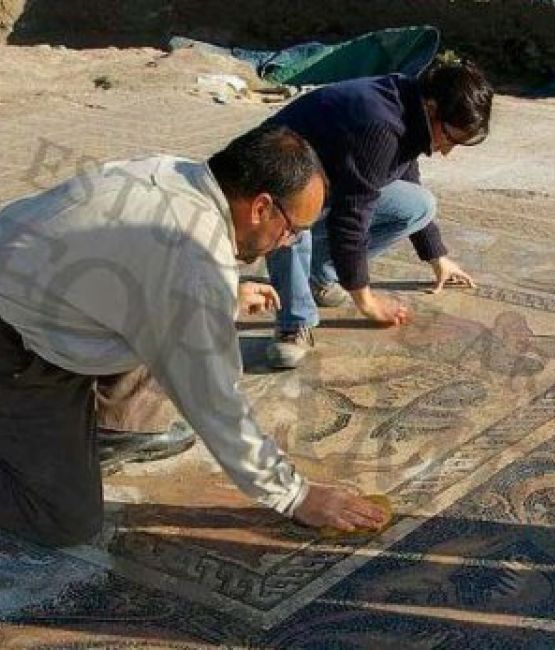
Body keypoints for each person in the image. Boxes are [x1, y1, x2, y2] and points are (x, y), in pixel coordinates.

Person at [0, 125, 387, 547]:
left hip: (39, 290)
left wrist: (224, 298)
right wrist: (296, 495)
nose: (287, 243)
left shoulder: (176, 173)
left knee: (190, 322)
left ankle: (108, 427)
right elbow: (217, 402)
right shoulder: (192, 263)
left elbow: (144, 265)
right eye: (291, 230)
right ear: (261, 207)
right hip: (16, 342)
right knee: (64, 521)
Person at [264, 58, 494, 369]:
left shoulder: (409, 103)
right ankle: (294, 321)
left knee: (419, 206)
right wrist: (367, 302)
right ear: (432, 107)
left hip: (326, 181)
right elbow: (352, 217)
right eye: (451, 137)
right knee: (294, 221)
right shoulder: (380, 123)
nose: (447, 150)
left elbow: (401, 172)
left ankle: (318, 272)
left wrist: (436, 256)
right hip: (275, 185)